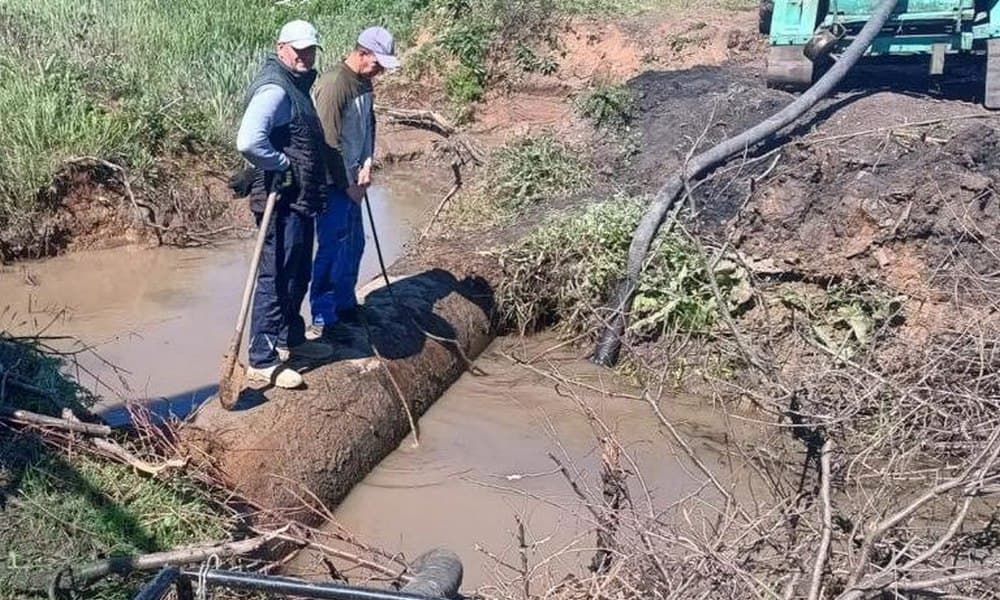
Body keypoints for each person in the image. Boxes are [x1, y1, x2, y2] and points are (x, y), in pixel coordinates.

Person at [235, 19, 333, 389]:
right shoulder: (275, 89)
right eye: (299, 50)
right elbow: (249, 141)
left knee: (298, 272)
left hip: (299, 197)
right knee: (276, 277)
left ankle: (290, 339)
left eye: (310, 50)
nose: (305, 56)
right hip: (280, 198)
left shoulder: (295, 83)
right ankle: (262, 358)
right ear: (281, 48)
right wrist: (280, 164)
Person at [308, 26, 401, 337]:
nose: (379, 72)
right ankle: (324, 315)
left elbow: (368, 124)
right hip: (333, 183)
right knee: (332, 247)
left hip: (352, 180)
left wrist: (368, 163)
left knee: (355, 243)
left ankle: (346, 305)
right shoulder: (335, 84)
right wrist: (347, 184)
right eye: (377, 64)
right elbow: (327, 143)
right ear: (362, 54)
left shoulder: (364, 82)